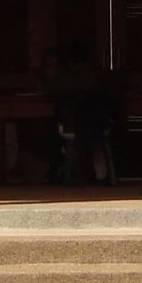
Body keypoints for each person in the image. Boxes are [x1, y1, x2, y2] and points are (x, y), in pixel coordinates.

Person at [45, 40, 117, 187]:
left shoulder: (65, 78)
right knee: (97, 142)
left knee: (51, 129)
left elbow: (50, 91)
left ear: (69, 60)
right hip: (99, 125)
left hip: (72, 126)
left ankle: (60, 171)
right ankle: (101, 175)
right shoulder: (100, 75)